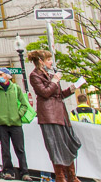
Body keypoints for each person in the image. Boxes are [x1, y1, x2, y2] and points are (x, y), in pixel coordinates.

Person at [28, 50, 82, 182]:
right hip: (49, 115)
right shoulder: (35, 75)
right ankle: (60, 176)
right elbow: (44, 93)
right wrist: (54, 81)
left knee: (68, 143)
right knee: (56, 145)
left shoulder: (50, 74)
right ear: (41, 61)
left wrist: (72, 89)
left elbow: (59, 95)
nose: (51, 62)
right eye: (48, 60)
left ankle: (72, 175)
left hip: (60, 113)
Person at [0, 67, 32, 181]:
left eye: (1, 74)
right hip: (2, 123)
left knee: (20, 149)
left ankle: (24, 172)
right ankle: (8, 171)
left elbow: (24, 104)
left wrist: (19, 114)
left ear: (7, 76)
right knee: (5, 149)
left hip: (15, 123)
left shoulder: (15, 88)